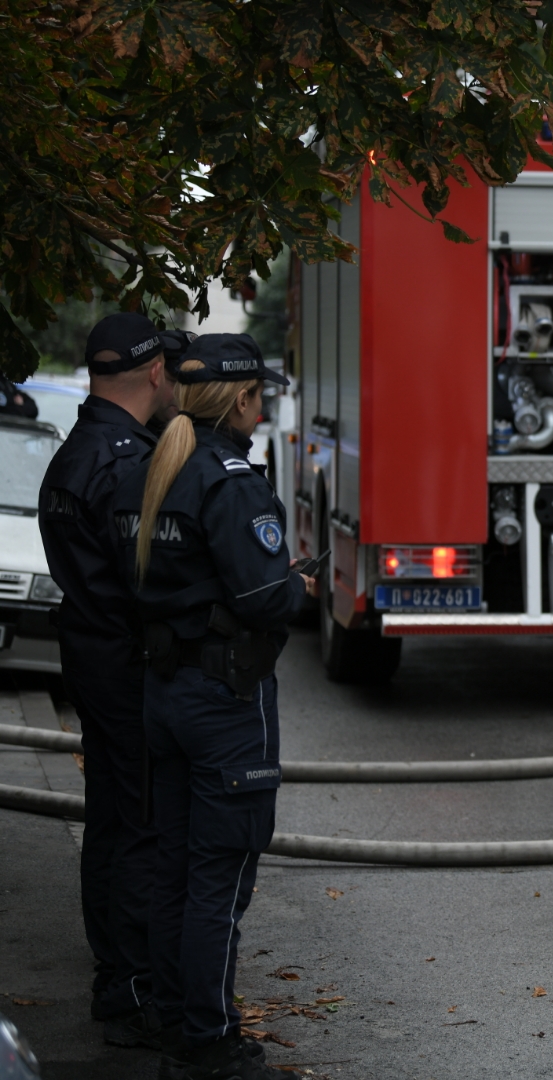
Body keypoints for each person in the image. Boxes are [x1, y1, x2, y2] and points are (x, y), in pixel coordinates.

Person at [111, 333, 314, 1080]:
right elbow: (265, 597)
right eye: (259, 397)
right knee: (218, 881)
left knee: (173, 869)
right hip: (224, 703)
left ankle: (174, 1016)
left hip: (164, 691)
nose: (264, 414)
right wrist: (295, 584)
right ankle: (208, 1038)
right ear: (239, 398)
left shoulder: (147, 468)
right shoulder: (228, 478)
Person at [36, 312, 182, 1047]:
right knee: (138, 821)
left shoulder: (74, 451)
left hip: (92, 655)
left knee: (111, 818)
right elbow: (148, 576)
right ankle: (130, 982)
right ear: (156, 372)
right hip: (127, 662)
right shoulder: (127, 458)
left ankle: (116, 972)